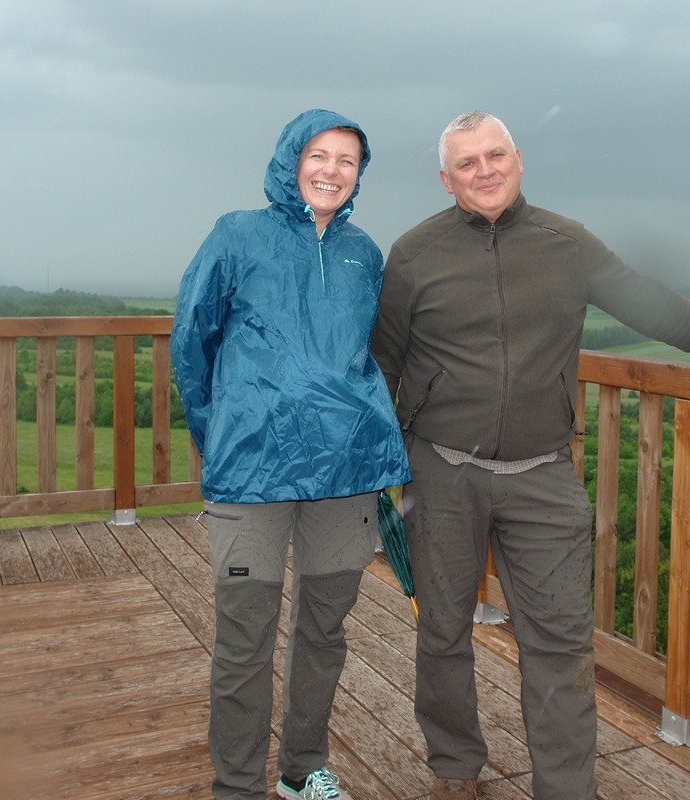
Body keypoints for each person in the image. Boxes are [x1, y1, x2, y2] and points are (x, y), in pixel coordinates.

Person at [370, 111, 690, 799]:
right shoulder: (414, 254)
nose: (485, 171)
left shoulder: (566, 244)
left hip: (542, 475)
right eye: (467, 163)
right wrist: (374, 465)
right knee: (442, 632)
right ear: (446, 180)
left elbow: (646, 302)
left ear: (518, 159)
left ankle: (566, 789)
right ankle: (454, 768)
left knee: (561, 643)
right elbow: (384, 364)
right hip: (440, 472)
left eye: (495, 155)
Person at [171, 108, 410, 800]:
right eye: (319, 155)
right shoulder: (237, 234)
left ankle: (302, 771)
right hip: (252, 473)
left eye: (347, 160)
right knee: (244, 637)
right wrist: (221, 432)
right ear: (290, 160)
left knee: (324, 629)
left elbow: (374, 354)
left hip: (346, 474)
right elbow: (192, 341)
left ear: (359, 173)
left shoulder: (364, 253)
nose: (332, 170)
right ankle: (238, 787)